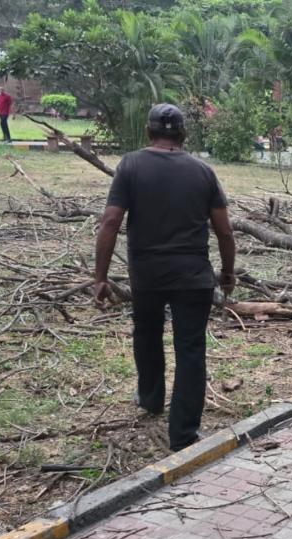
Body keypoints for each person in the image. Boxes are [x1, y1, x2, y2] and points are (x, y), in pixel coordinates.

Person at [93, 104, 237, 451]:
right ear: (183, 134)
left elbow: (110, 222)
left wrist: (99, 276)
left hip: (147, 275)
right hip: (193, 276)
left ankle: (151, 398)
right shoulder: (203, 172)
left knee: (147, 334)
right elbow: (225, 232)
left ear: (149, 132)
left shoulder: (130, 165)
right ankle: (183, 434)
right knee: (190, 350)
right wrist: (228, 273)